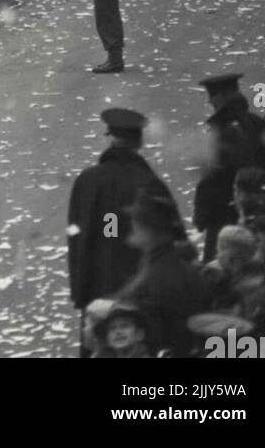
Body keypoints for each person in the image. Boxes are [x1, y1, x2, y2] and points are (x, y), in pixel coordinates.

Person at [68, 108, 184, 355]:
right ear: (139, 142)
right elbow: (175, 238)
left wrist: (80, 291)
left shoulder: (88, 181)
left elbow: (78, 239)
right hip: (141, 286)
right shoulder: (150, 182)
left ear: (110, 137)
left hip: (98, 285)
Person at [193, 72, 265, 262]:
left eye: (212, 96)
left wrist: (202, 215)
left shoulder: (223, 133)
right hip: (258, 209)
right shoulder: (257, 123)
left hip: (224, 215)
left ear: (221, 98)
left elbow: (212, 178)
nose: (210, 102)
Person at [115, 188, 211, 357]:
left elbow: (150, 340)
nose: (132, 227)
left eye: (136, 223)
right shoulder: (191, 271)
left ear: (148, 229)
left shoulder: (149, 280)